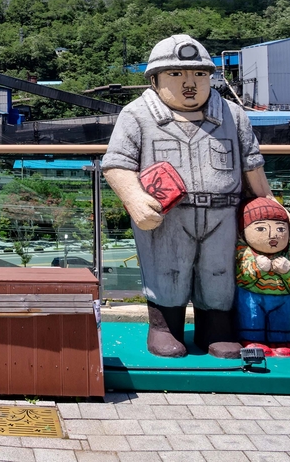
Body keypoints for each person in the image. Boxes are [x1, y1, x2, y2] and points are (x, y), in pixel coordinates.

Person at [103, 34, 274, 358]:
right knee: (167, 271)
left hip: (223, 214)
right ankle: (165, 328)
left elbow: (253, 165)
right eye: (177, 74)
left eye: (199, 74)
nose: (189, 83)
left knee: (219, 273)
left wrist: (268, 205)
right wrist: (135, 198)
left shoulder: (232, 114)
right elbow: (116, 164)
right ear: (155, 79)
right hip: (167, 217)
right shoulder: (137, 115)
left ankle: (217, 329)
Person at [235, 196, 290, 356]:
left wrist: (287, 269)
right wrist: (257, 267)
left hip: (284, 297)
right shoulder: (245, 251)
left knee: (282, 319)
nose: (273, 235)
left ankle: (282, 340)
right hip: (253, 295)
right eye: (261, 229)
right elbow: (244, 274)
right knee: (251, 315)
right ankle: (251, 339)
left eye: (280, 229)